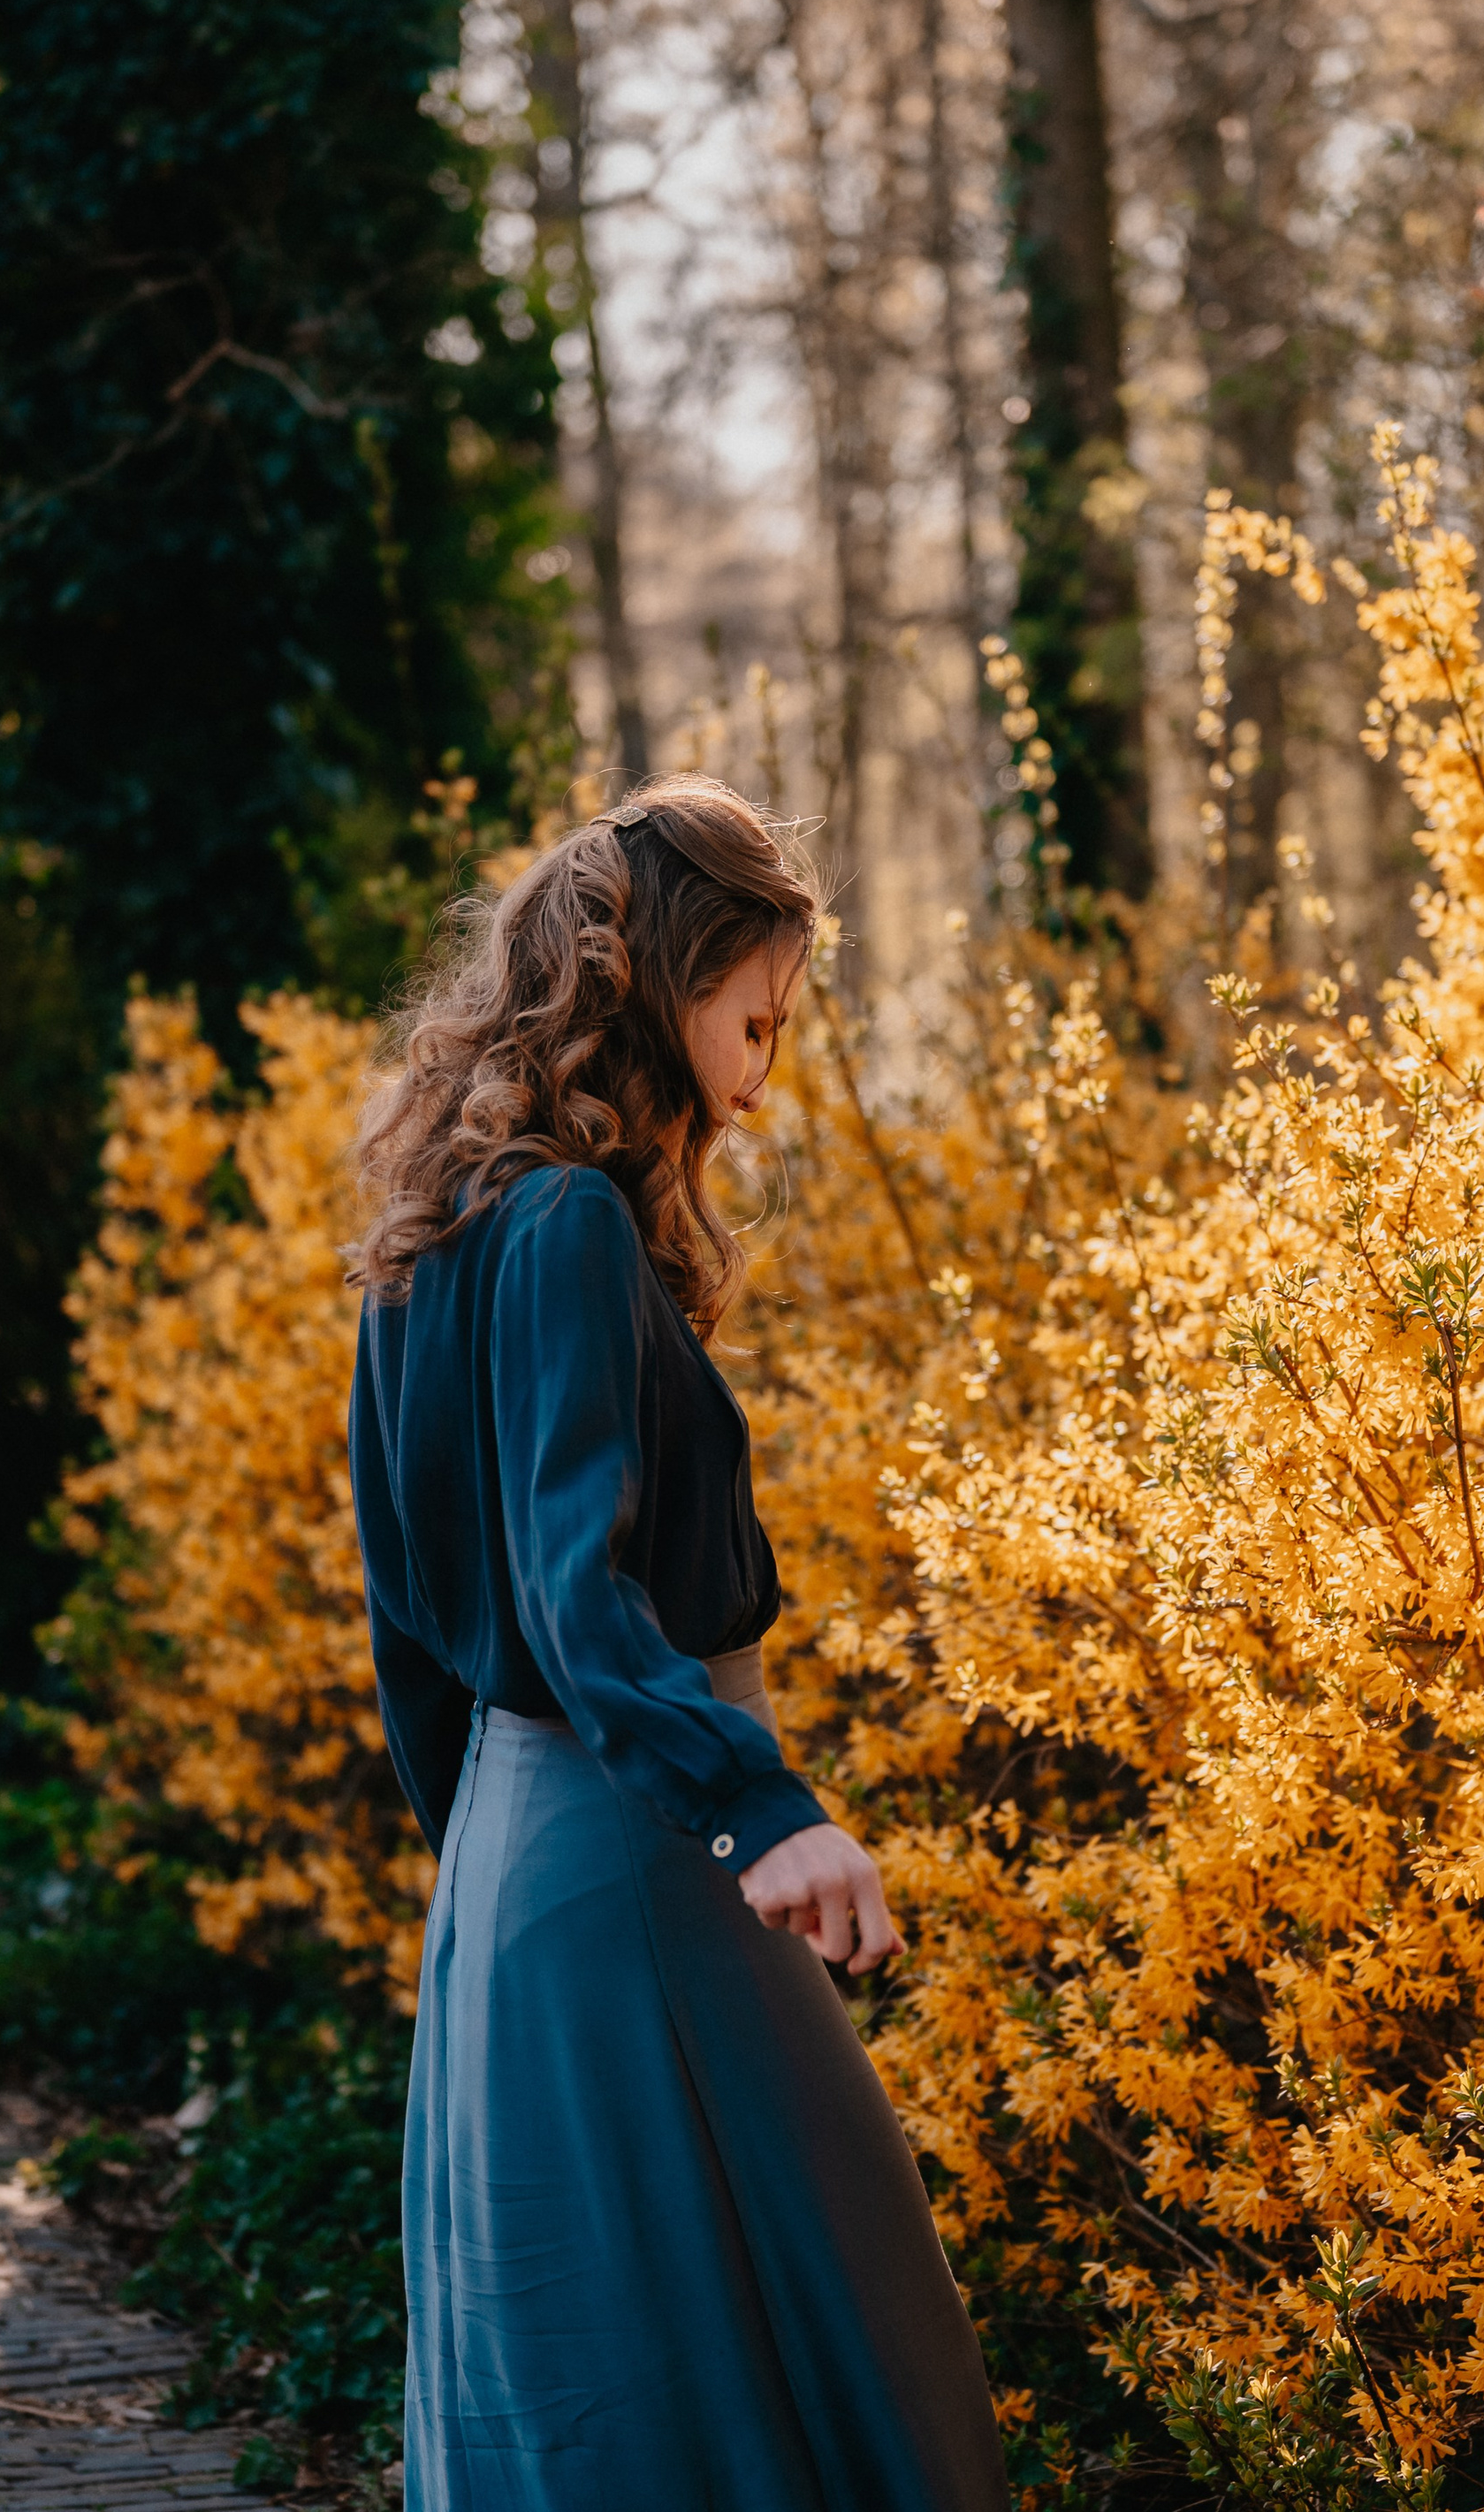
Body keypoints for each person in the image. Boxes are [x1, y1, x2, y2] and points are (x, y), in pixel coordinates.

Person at [348, 775, 1008, 2512]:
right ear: (666, 980)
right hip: (642, 1833)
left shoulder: (429, 1238)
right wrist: (759, 1805)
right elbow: (579, 1596)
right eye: (755, 1018)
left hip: (512, 1868)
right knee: (829, 2338)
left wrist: (481, 1872)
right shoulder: (565, 1221)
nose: (765, 1066)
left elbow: (413, 1625)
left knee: (601, 2367)